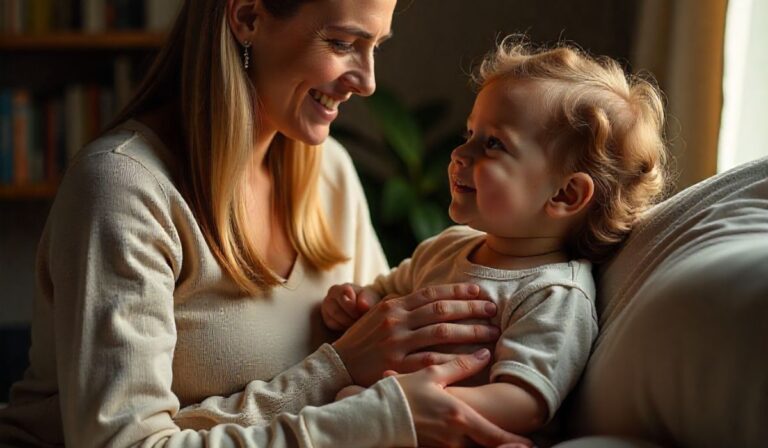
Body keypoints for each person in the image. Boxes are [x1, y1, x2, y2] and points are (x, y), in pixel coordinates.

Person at [0, 1, 534, 447]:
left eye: (376, 46)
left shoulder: (330, 174)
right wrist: (341, 372)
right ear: (248, 16)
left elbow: (380, 378)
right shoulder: (123, 189)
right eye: (342, 43)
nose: (368, 82)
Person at [322, 37, 670, 435]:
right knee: (344, 399)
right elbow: (386, 297)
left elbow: (524, 402)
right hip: (387, 411)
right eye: (469, 134)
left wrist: (408, 403)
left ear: (565, 194)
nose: (459, 154)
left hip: (452, 432)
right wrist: (357, 303)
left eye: (492, 144)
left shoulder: (552, 293)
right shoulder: (446, 247)